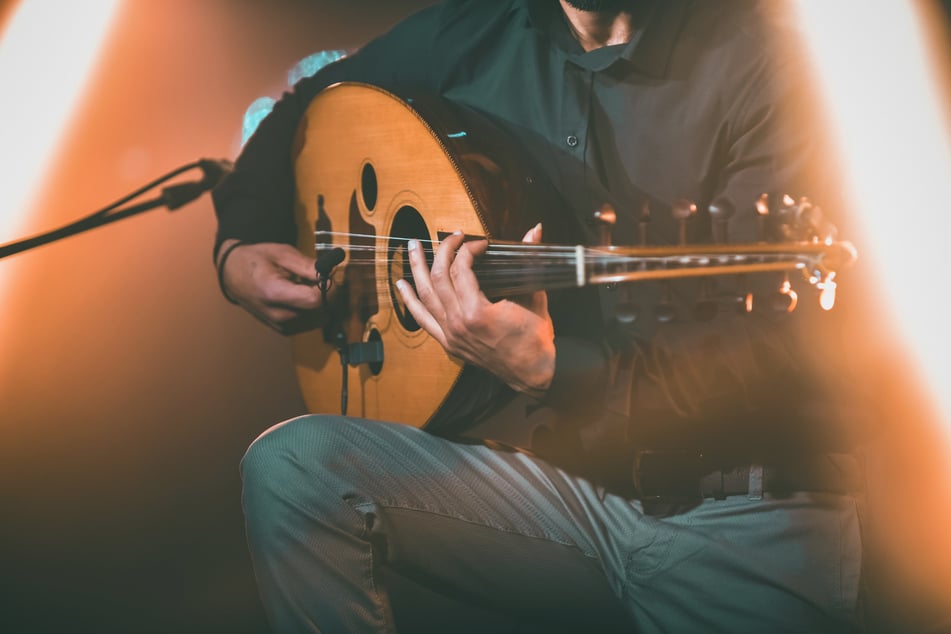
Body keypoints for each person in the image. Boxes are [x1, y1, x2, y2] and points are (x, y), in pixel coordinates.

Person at [212, 1, 868, 632]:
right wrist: (237, 249)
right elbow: (299, 109)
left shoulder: (775, 59)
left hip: (741, 514)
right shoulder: (469, 33)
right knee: (295, 467)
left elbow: (776, 354)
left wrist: (551, 371)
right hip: (565, 486)